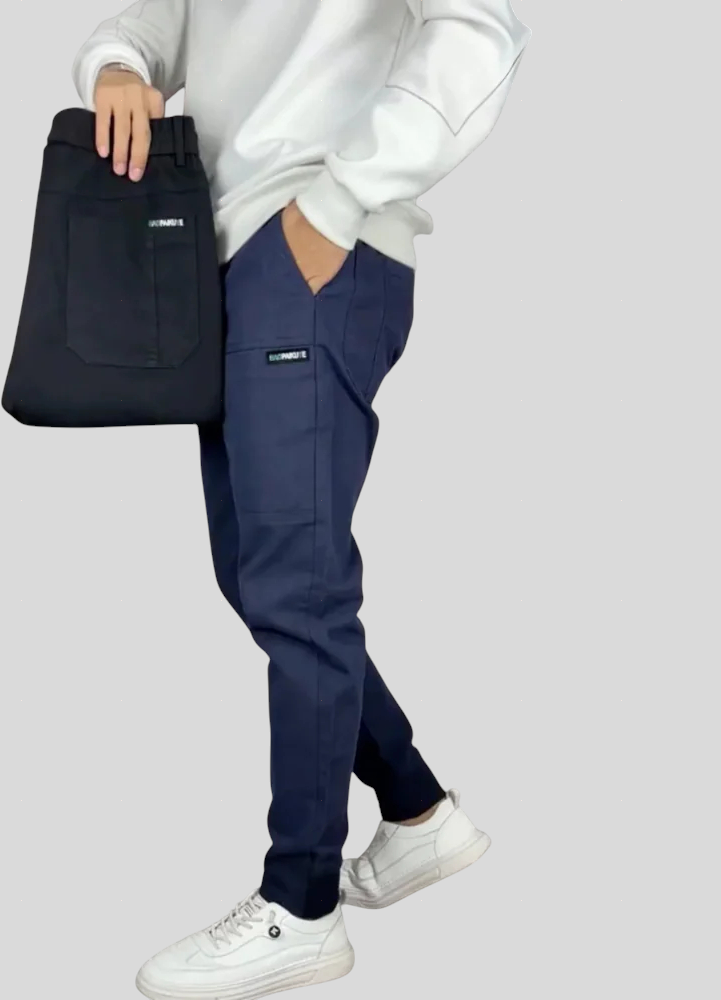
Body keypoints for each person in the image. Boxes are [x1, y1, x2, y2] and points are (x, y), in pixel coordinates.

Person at [72, 3, 531, 998]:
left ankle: (302, 905)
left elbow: (479, 27)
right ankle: (416, 812)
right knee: (258, 577)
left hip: (314, 239)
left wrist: (338, 201)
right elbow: (146, 30)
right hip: (220, 259)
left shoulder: (325, 216)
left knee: (296, 587)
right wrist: (115, 69)